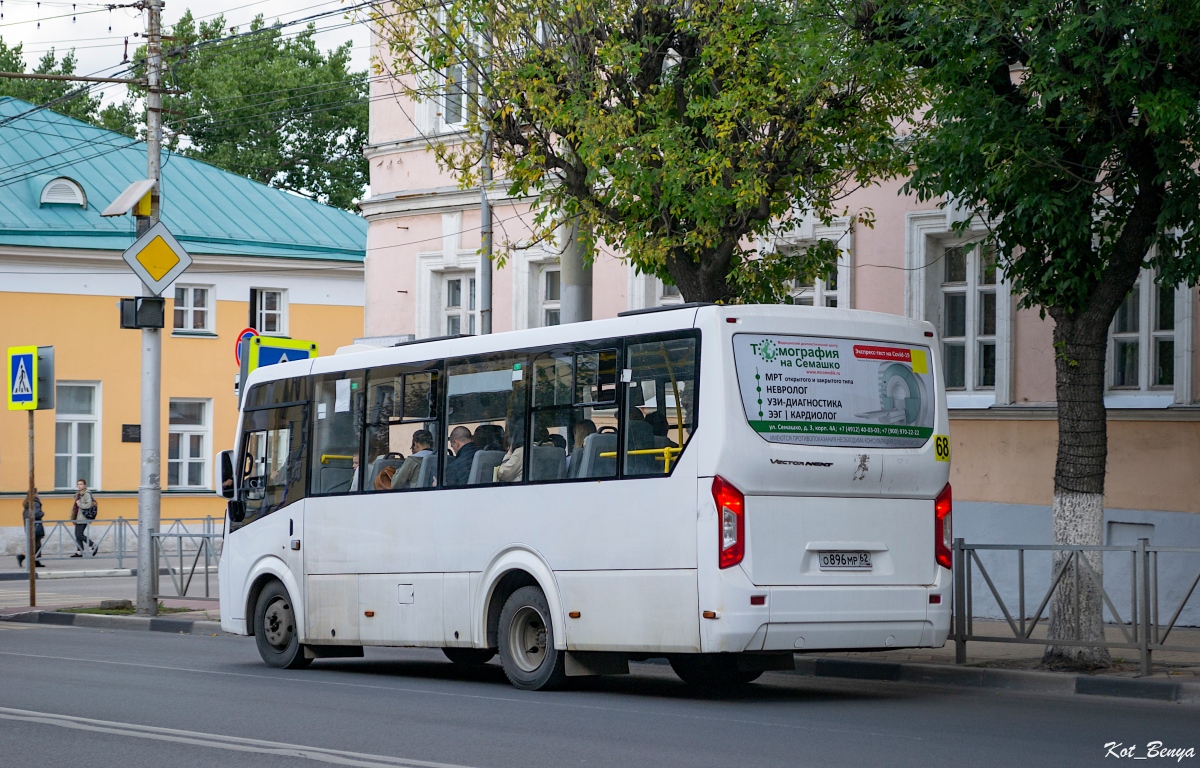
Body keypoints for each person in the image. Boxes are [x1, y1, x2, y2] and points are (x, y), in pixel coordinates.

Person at [17, 488, 45, 568]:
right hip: (35, 526)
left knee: (35, 544)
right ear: (34, 494)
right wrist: (42, 513)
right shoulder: (35, 503)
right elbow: (35, 514)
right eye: (37, 493)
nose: (38, 494)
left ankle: (36, 561)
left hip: (30, 526)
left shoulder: (27, 502)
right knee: (36, 545)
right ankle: (23, 556)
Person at [71, 479, 99, 558]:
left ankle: (93, 545)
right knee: (77, 535)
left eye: (81, 484)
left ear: (85, 485)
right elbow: (74, 508)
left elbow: (88, 505)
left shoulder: (86, 494)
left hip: (83, 517)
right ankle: (79, 552)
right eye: (78, 484)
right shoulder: (78, 494)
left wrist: (79, 504)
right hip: (78, 517)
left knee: (79, 534)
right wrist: (73, 518)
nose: (79, 486)